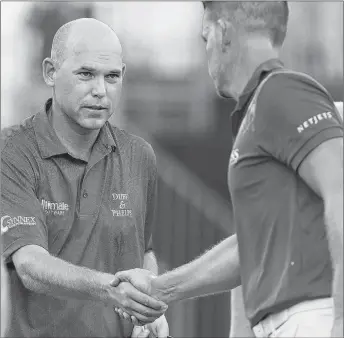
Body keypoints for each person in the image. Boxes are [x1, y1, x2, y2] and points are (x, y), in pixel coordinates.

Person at [112, 2, 343, 337]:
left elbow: (341, 188)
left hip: (311, 319)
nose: (205, 50)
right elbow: (249, 247)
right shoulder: (263, 108)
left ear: (223, 32)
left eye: (205, 37)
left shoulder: (282, 91)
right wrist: (159, 290)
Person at [1, 18, 169, 338]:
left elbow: (144, 252)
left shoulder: (139, 156)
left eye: (112, 77)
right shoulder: (13, 151)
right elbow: (30, 266)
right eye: (86, 74)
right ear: (50, 72)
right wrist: (111, 289)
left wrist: (147, 307)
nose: (100, 91)